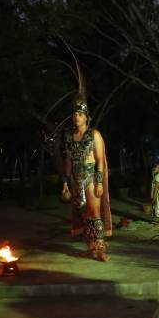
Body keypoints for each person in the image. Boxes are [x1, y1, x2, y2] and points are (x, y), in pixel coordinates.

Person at [62, 95, 113, 261]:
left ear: (86, 117)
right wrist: (65, 182)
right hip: (76, 181)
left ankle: (100, 248)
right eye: (74, 114)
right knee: (85, 217)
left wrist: (99, 182)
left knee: (95, 213)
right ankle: (91, 246)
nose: (76, 117)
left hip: (91, 178)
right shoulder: (69, 137)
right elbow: (69, 160)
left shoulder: (94, 135)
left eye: (80, 114)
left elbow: (99, 161)